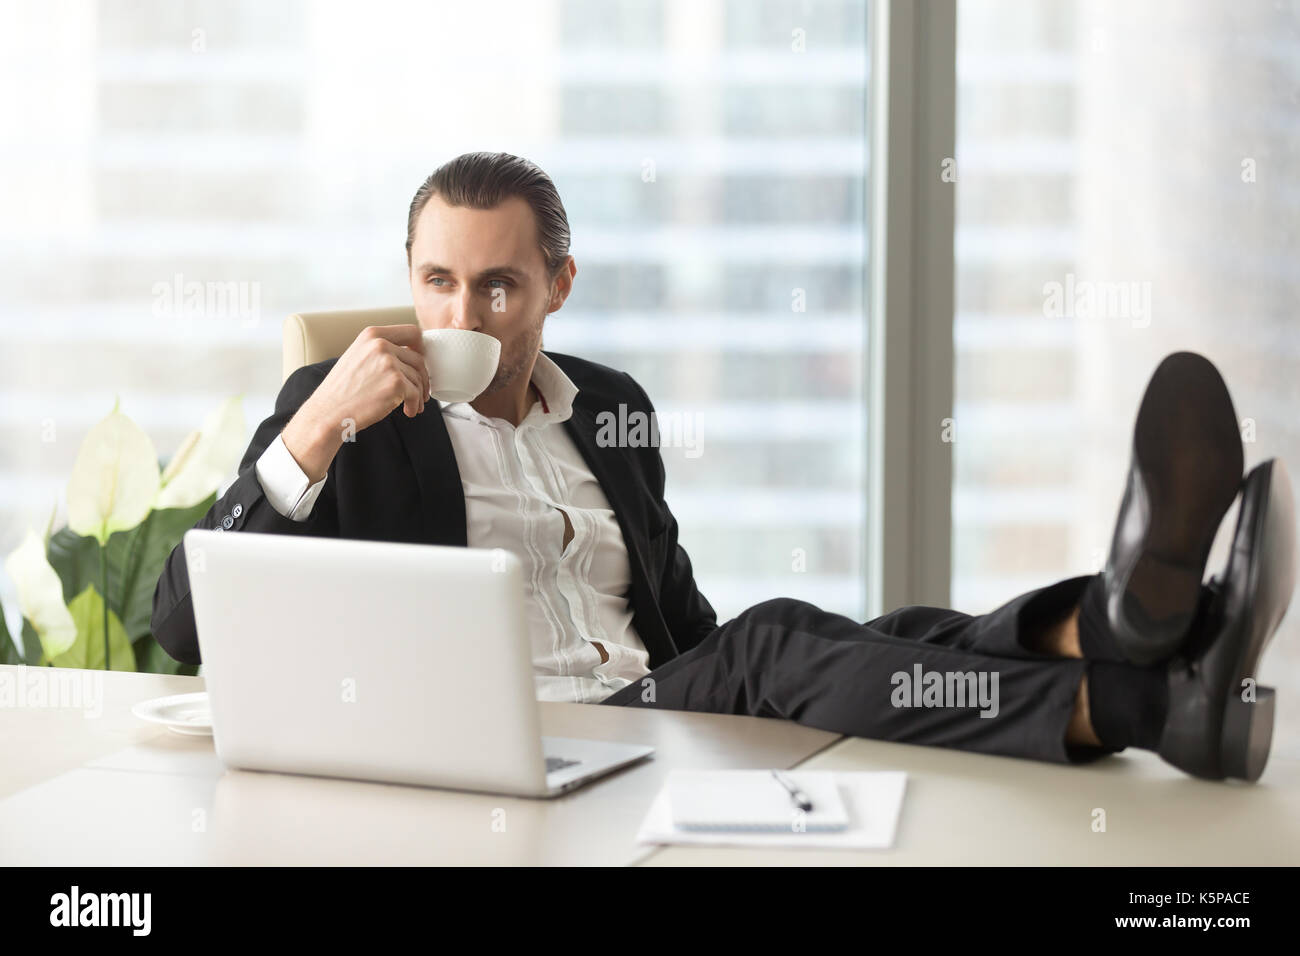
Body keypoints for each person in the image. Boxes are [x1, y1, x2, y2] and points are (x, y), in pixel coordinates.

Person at [151, 151, 1296, 783]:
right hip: (531, 733)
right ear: (409, 274)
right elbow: (183, 623)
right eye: (437, 280)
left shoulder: (609, 407)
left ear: (558, 285)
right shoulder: (342, 408)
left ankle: (1133, 638)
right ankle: (1148, 680)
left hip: (650, 712)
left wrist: (813, 664)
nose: (463, 309)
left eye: (498, 284)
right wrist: (315, 433)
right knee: (775, 644)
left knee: (869, 628)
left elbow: (679, 611)